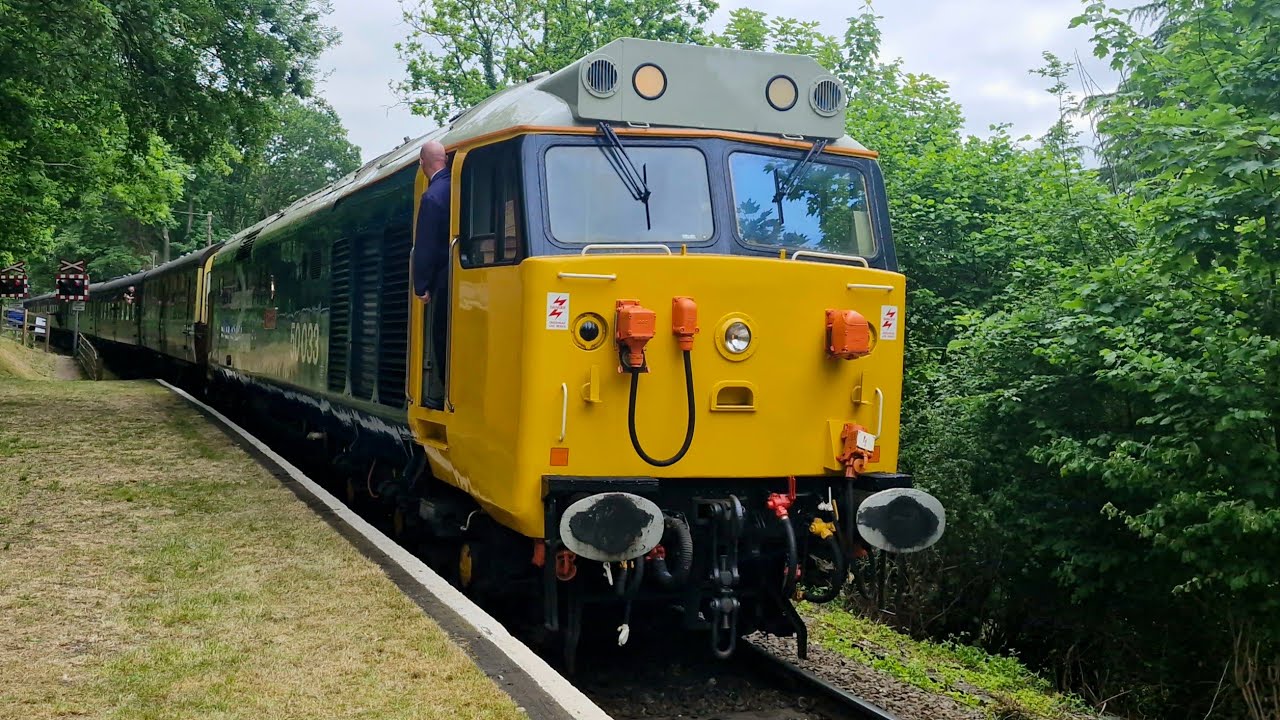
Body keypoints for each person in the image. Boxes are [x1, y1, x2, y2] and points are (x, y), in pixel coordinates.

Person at [412, 140, 451, 406]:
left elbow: (424, 246)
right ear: (445, 160)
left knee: (440, 335)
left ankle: (442, 388)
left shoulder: (433, 196)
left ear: (422, 163)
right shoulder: (459, 187)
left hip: (443, 280)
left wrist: (421, 286)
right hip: (457, 273)